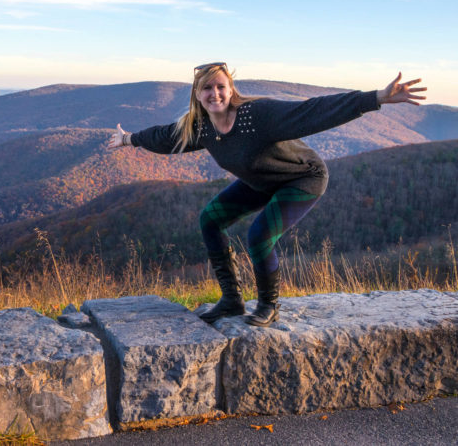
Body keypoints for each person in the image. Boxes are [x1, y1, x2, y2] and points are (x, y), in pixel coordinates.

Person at [107, 63, 426, 326]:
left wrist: (377, 97)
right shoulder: (202, 127)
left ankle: (268, 305)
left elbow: (314, 111)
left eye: (220, 86)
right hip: (260, 181)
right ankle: (231, 301)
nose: (215, 93)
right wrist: (129, 140)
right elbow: (166, 137)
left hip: (302, 179)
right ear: (198, 94)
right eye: (207, 88)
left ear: (231, 89)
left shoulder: (256, 116)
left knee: (259, 236)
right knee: (210, 220)